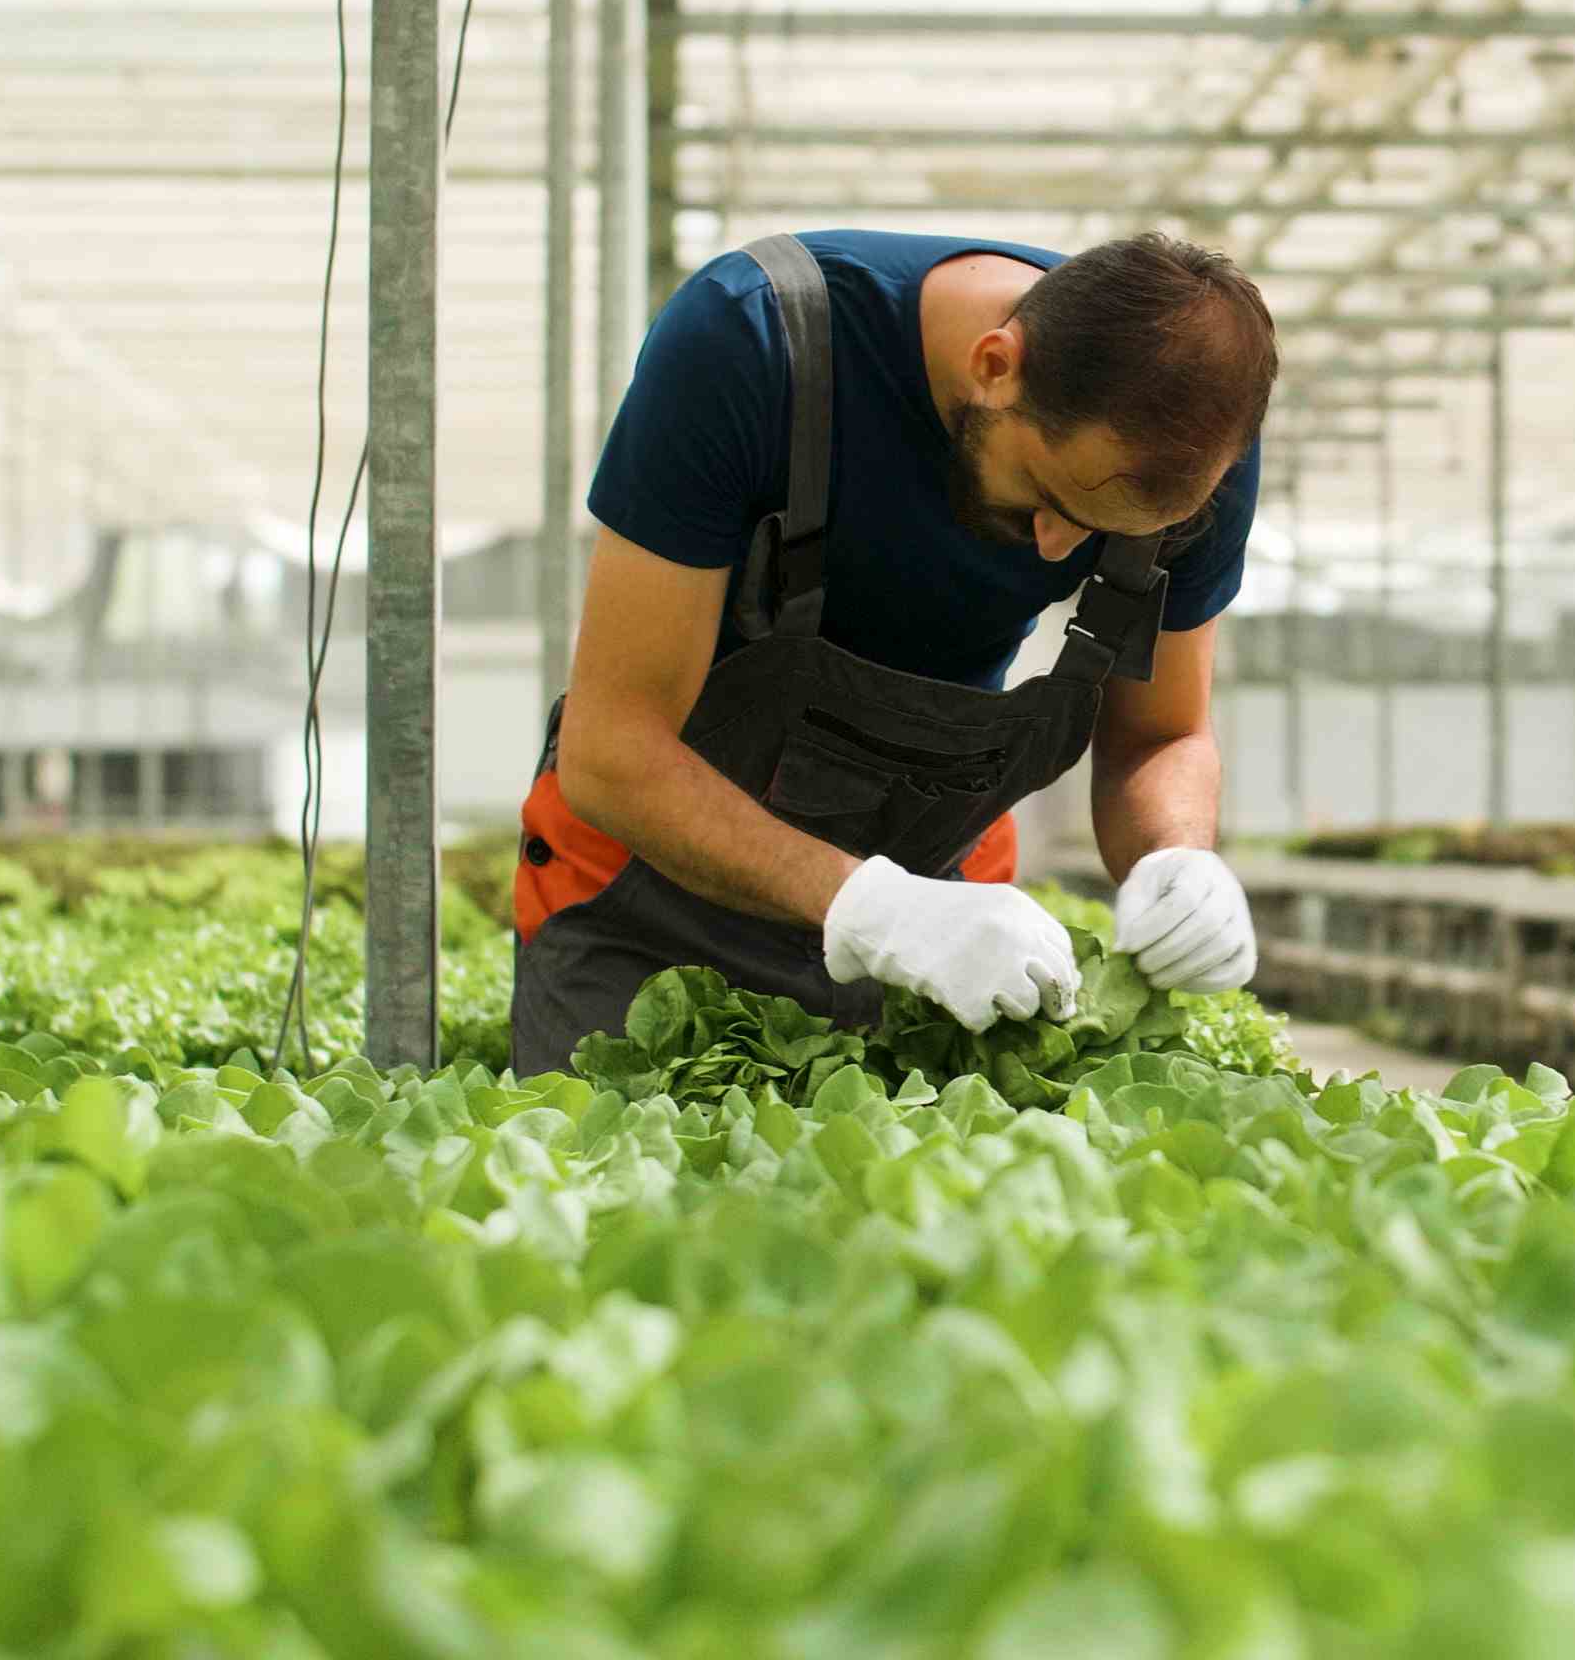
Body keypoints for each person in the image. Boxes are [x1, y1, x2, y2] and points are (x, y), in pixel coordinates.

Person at [509, 230, 1276, 1076]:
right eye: (1050, 500)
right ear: (995, 364)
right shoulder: (752, 342)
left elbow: (1160, 735)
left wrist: (1176, 858)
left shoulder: (1186, 461)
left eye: (1105, 536)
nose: (1058, 551)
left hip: (938, 900)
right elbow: (614, 752)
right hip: (648, 890)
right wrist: (870, 906)